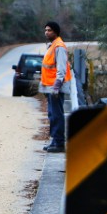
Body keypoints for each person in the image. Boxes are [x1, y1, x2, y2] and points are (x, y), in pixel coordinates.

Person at [40, 21, 73, 153]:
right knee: (52, 114)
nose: (46, 32)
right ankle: (55, 141)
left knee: (56, 114)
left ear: (56, 32)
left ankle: (58, 142)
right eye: (46, 30)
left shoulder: (59, 46)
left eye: (49, 30)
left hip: (55, 88)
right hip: (50, 87)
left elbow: (61, 68)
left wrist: (56, 86)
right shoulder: (52, 46)